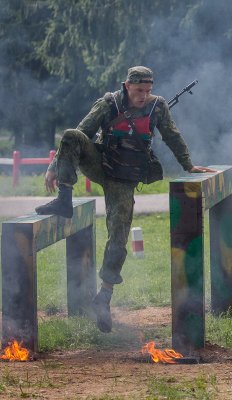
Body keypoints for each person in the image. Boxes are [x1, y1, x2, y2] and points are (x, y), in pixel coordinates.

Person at [35, 66, 216, 332]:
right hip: (100, 163)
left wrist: (188, 165)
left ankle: (104, 297)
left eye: (148, 90)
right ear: (126, 86)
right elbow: (81, 132)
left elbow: (172, 136)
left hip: (125, 178)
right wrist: (53, 167)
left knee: (118, 238)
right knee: (72, 135)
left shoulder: (158, 107)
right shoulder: (108, 103)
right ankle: (64, 197)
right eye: (139, 90)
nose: (143, 96)